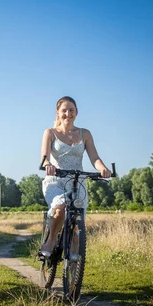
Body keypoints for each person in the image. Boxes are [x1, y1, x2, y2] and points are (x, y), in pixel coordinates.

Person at [39, 96, 111, 258]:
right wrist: (47, 165)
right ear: (58, 113)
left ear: (76, 112)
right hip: (56, 180)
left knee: (78, 223)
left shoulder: (84, 133)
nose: (68, 114)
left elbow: (94, 158)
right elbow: (44, 157)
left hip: (78, 182)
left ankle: (73, 272)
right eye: (64, 110)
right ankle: (50, 241)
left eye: (71, 110)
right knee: (60, 210)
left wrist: (103, 168)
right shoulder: (50, 133)